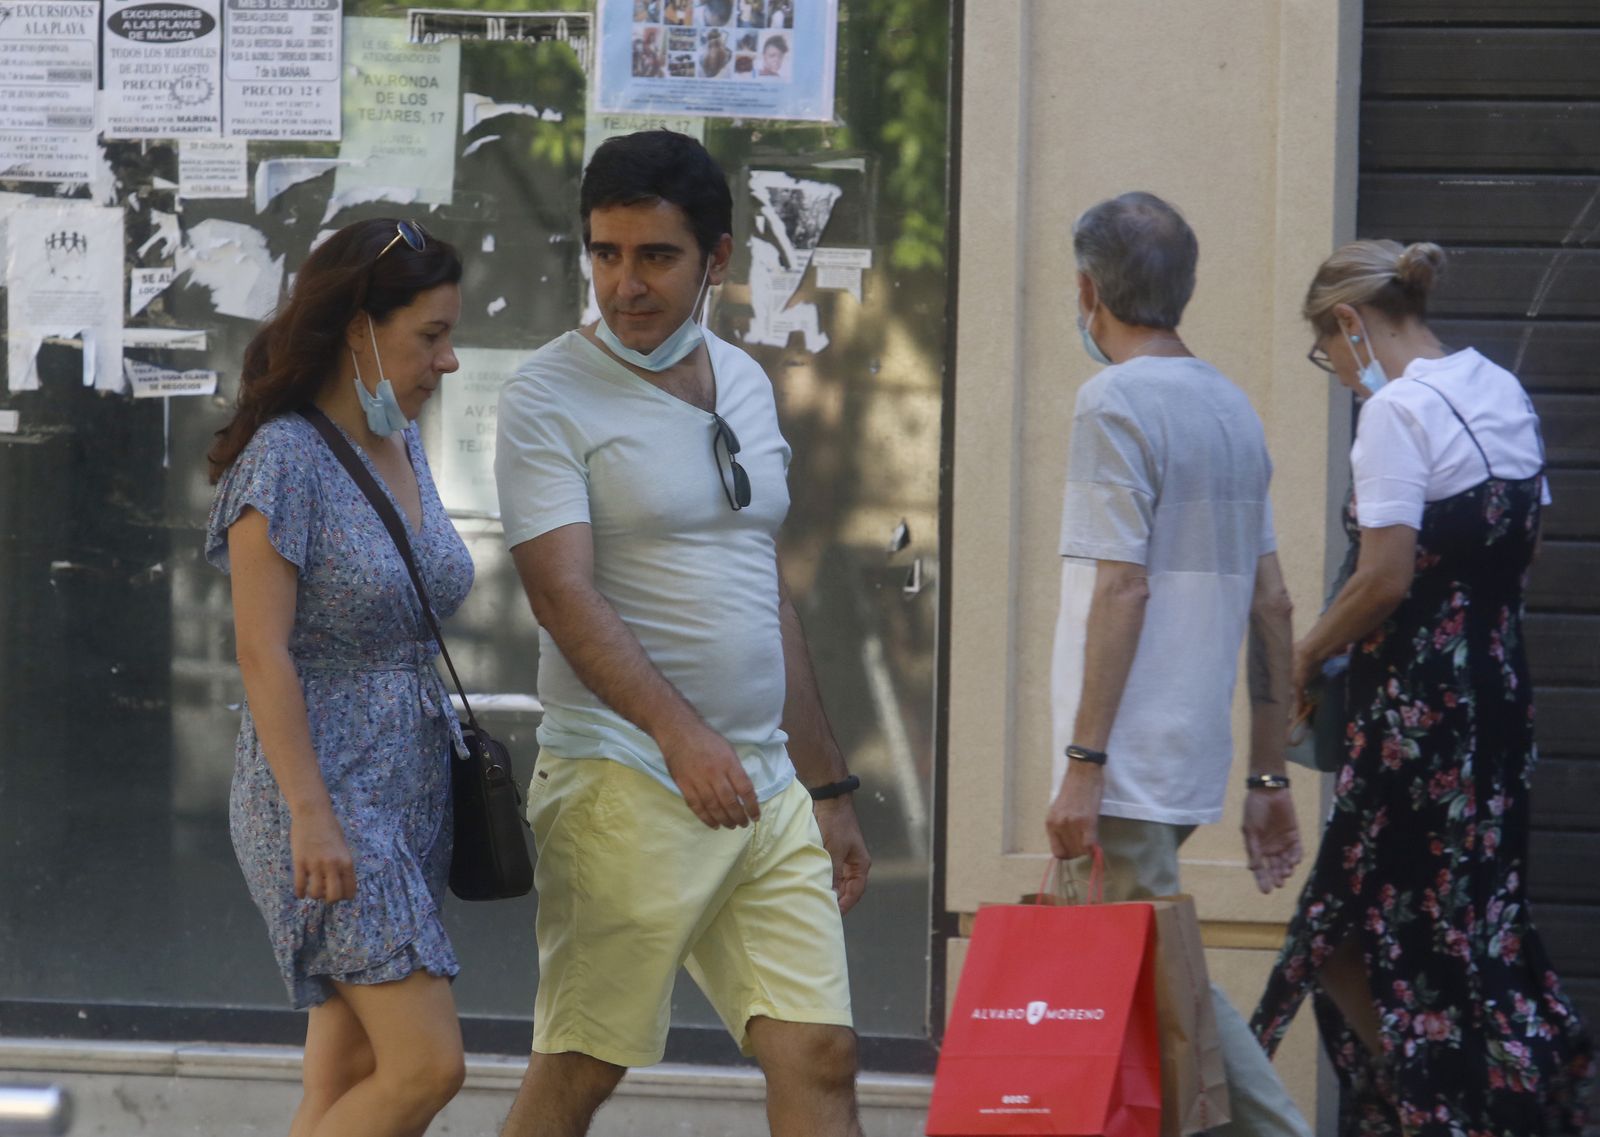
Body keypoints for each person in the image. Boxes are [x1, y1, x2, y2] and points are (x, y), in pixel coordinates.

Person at [493, 130, 871, 1137]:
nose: (626, 284)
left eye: (656, 256)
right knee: (582, 1066)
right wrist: (680, 735)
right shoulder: (546, 393)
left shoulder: (743, 379)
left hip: (763, 781)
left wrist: (827, 785)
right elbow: (560, 594)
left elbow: (763, 592)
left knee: (820, 1053)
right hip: (624, 774)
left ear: (718, 258)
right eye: (605, 253)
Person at [1252, 240, 1594, 1135]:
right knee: (1474, 926)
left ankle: (1442, 1112)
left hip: (1415, 719)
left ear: (1350, 322)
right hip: (1499, 702)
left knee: (1341, 932)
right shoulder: (1500, 388)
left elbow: (1383, 576)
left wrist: (1302, 657)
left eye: (1327, 351)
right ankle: (1470, 1101)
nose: (1336, 372)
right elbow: (1524, 546)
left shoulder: (1397, 411)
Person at [1045, 192, 1313, 1137]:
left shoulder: (1113, 401)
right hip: (1186, 747)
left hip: (1123, 756)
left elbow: (1122, 587)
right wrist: (1269, 774)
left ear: (1089, 289)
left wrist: (1085, 763)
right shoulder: (1230, 406)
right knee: (1136, 989)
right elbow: (1273, 603)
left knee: (1163, 976)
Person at [204, 219, 472, 1137]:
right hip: (325, 796)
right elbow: (260, 650)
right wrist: (312, 814)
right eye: (431, 335)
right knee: (427, 1065)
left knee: (346, 1077)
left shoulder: (403, 442)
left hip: (409, 789)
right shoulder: (284, 457)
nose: (447, 360)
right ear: (361, 326)